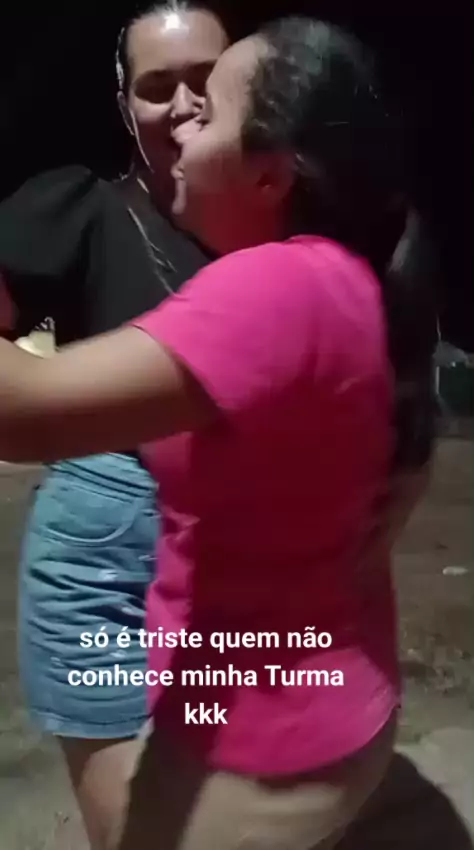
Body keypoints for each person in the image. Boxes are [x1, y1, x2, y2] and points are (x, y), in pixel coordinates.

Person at [0, 17, 438, 850]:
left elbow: (19, 413)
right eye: (158, 89)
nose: (183, 118)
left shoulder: (272, 287)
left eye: (208, 103)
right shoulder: (355, 279)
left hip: (255, 742)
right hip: (319, 700)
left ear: (271, 172)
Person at [0, 3, 231, 848]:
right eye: (157, 87)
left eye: (207, 79)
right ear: (125, 105)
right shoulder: (84, 209)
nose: (185, 105)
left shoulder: (287, 222)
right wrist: (70, 409)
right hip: (115, 566)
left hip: (260, 568)